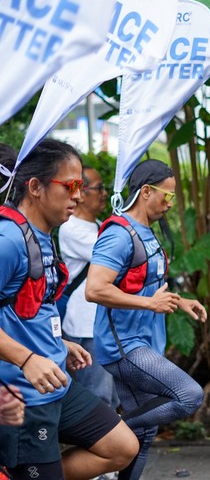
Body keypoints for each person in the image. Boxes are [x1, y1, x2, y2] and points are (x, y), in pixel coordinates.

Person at [0, 140, 138, 479]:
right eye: (71, 185)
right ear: (35, 187)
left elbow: (25, 309)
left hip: (55, 386)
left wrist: (58, 343)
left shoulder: (42, 234)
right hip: (23, 394)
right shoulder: (8, 241)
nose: (78, 196)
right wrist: (27, 359)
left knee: (121, 447)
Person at [86, 159, 207, 480]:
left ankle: (122, 436)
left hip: (145, 343)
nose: (170, 203)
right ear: (146, 192)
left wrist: (180, 301)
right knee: (189, 395)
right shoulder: (119, 234)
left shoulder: (146, 233)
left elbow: (146, 285)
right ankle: (112, 429)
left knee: (144, 433)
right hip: (124, 346)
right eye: (168, 196)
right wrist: (150, 304)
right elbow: (95, 289)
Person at [58, 166, 119, 409]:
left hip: (103, 322)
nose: (104, 193)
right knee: (98, 397)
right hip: (86, 325)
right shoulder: (71, 228)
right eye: (99, 188)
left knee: (111, 396)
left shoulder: (99, 225)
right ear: (81, 194)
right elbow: (114, 257)